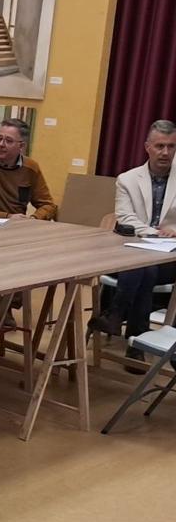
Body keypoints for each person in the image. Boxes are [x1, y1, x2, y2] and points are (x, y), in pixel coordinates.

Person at [89, 119, 176, 354]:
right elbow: (125, 217)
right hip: (135, 253)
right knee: (144, 269)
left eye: (171, 146)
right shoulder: (127, 179)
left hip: (170, 258)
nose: (165, 152)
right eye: (160, 146)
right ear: (147, 146)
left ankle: (116, 314)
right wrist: (154, 233)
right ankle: (137, 338)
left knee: (143, 268)